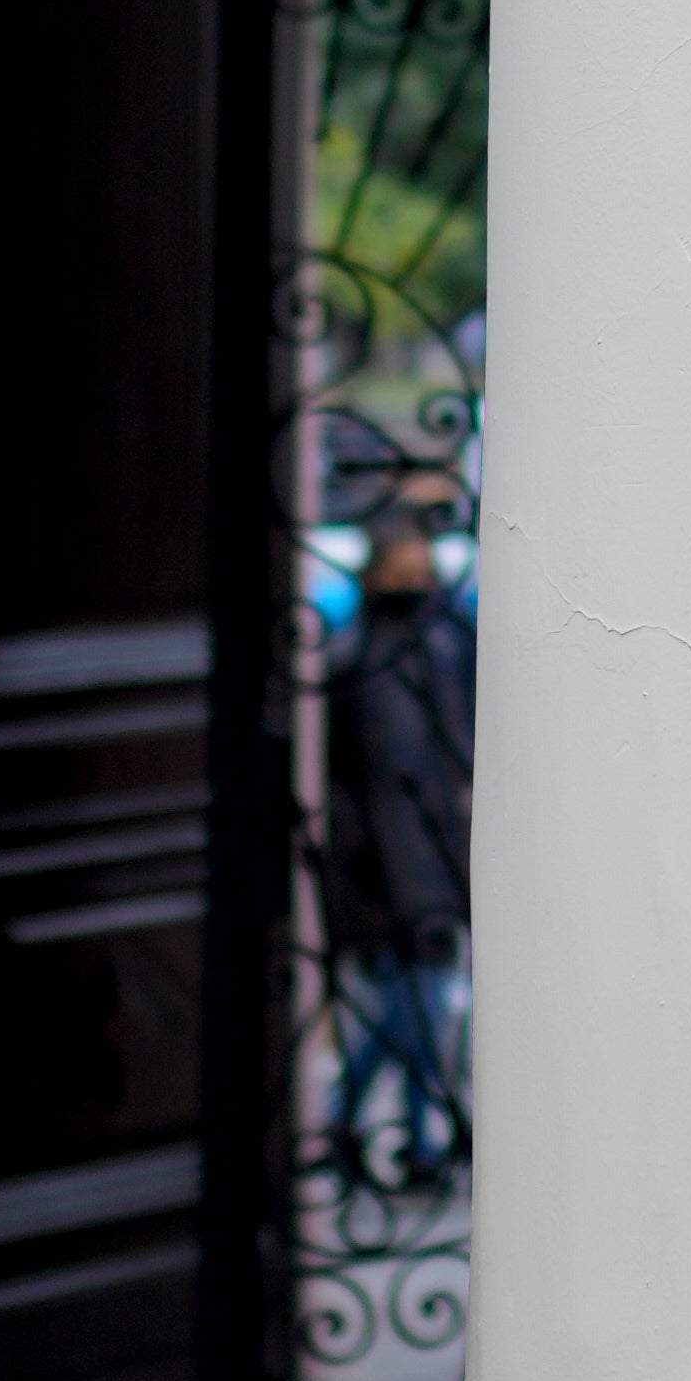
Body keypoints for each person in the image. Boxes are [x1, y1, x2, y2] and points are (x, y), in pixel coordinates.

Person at [317, 497, 474, 1190]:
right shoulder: (358, 660)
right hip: (384, 873)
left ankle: (395, 1137)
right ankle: (390, 1135)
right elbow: (351, 784)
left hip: (435, 862)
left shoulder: (442, 645)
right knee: (409, 1014)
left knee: (417, 1011)